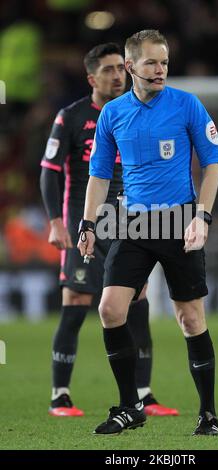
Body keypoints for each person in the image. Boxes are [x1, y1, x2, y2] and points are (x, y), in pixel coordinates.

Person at [78, 30, 218, 436]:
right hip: (133, 223)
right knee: (110, 309)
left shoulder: (187, 105)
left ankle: (208, 413)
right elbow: (99, 175)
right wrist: (89, 223)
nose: (160, 69)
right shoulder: (113, 114)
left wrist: (203, 217)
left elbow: (213, 163)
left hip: (180, 221)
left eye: (164, 62)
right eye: (151, 62)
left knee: (189, 318)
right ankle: (130, 407)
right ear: (130, 67)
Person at [40, 42, 179, 418]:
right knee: (76, 305)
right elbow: (49, 172)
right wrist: (56, 222)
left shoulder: (134, 113)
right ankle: (61, 395)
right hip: (82, 223)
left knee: (138, 304)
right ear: (92, 78)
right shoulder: (70, 117)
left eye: (121, 67)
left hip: (128, 222)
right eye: (109, 70)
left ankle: (144, 395)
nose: (118, 75)